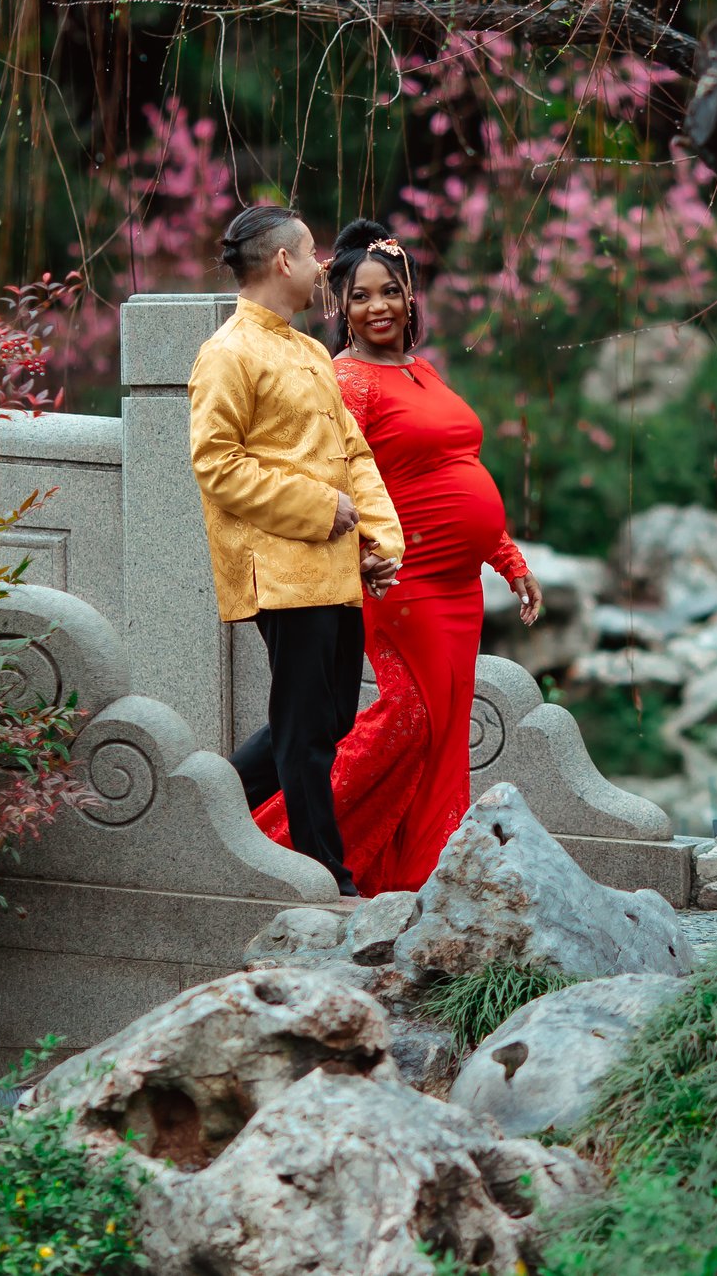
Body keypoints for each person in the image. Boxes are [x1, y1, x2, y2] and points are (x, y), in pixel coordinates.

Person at [253, 220, 543, 895]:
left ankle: (426, 871)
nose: (378, 306)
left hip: (460, 584)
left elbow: (459, 462)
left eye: (391, 292)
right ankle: (269, 843)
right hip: (402, 578)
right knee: (406, 722)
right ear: (341, 308)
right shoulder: (346, 380)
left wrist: (507, 557)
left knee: (443, 736)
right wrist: (359, 554)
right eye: (361, 296)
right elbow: (330, 479)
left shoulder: (421, 369)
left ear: (411, 299)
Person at [188, 204, 404, 896]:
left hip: (332, 565)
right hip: (281, 569)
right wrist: (321, 509)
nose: (322, 270)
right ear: (284, 262)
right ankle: (326, 879)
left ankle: (203, 804)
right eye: (312, 255)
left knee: (326, 717)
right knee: (308, 731)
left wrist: (380, 535)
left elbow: (354, 453)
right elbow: (217, 465)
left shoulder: (308, 351)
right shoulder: (228, 352)